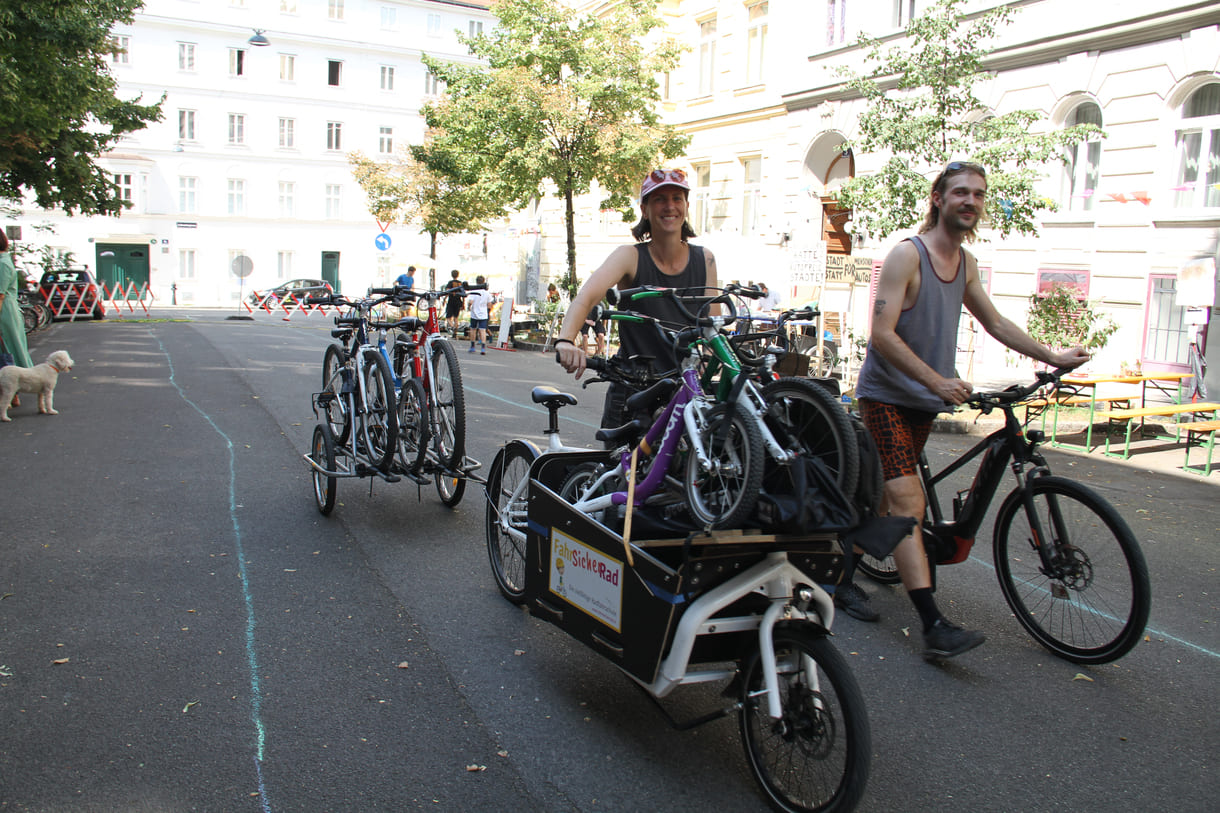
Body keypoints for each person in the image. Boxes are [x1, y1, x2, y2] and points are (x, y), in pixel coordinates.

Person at [840, 161, 1090, 660]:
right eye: (960, 193)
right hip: (886, 396)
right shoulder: (906, 257)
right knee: (908, 499)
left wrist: (1053, 356)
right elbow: (881, 335)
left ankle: (841, 573)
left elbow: (994, 321)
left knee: (892, 496)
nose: (970, 202)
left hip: (924, 402)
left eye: (977, 194)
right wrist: (936, 380)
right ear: (938, 198)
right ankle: (933, 624)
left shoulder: (967, 263)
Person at [555, 168, 718, 429]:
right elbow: (586, 297)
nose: (670, 206)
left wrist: (709, 363)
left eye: (677, 198)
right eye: (659, 199)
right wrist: (565, 340)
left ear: (686, 206)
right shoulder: (630, 256)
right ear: (645, 209)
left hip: (684, 391)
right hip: (634, 391)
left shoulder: (705, 259)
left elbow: (712, 328)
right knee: (618, 468)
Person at [0, 231, 34, 410]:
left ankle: (15, 390)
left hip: (4, 313)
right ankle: (11, 393)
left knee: (9, 349)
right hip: (7, 311)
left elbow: (0, 295)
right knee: (8, 349)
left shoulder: (3, 264)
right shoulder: (4, 262)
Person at [466, 275, 494, 355]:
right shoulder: (487, 293)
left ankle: (472, 346)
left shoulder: (474, 292)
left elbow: (470, 302)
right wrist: (487, 311)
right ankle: (483, 348)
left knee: (473, 329)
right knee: (482, 330)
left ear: (476, 282)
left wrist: (469, 306)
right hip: (484, 314)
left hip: (474, 314)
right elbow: (489, 304)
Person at [443, 269, 464, 335]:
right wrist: (463, 303)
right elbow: (463, 294)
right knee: (456, 317)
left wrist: (444, 299)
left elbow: (447, 292)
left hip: (451, 301)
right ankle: (455, 331)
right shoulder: (460, 283)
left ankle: (452, 327)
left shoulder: (450, 283)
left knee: (448, 317)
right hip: (458, 301)